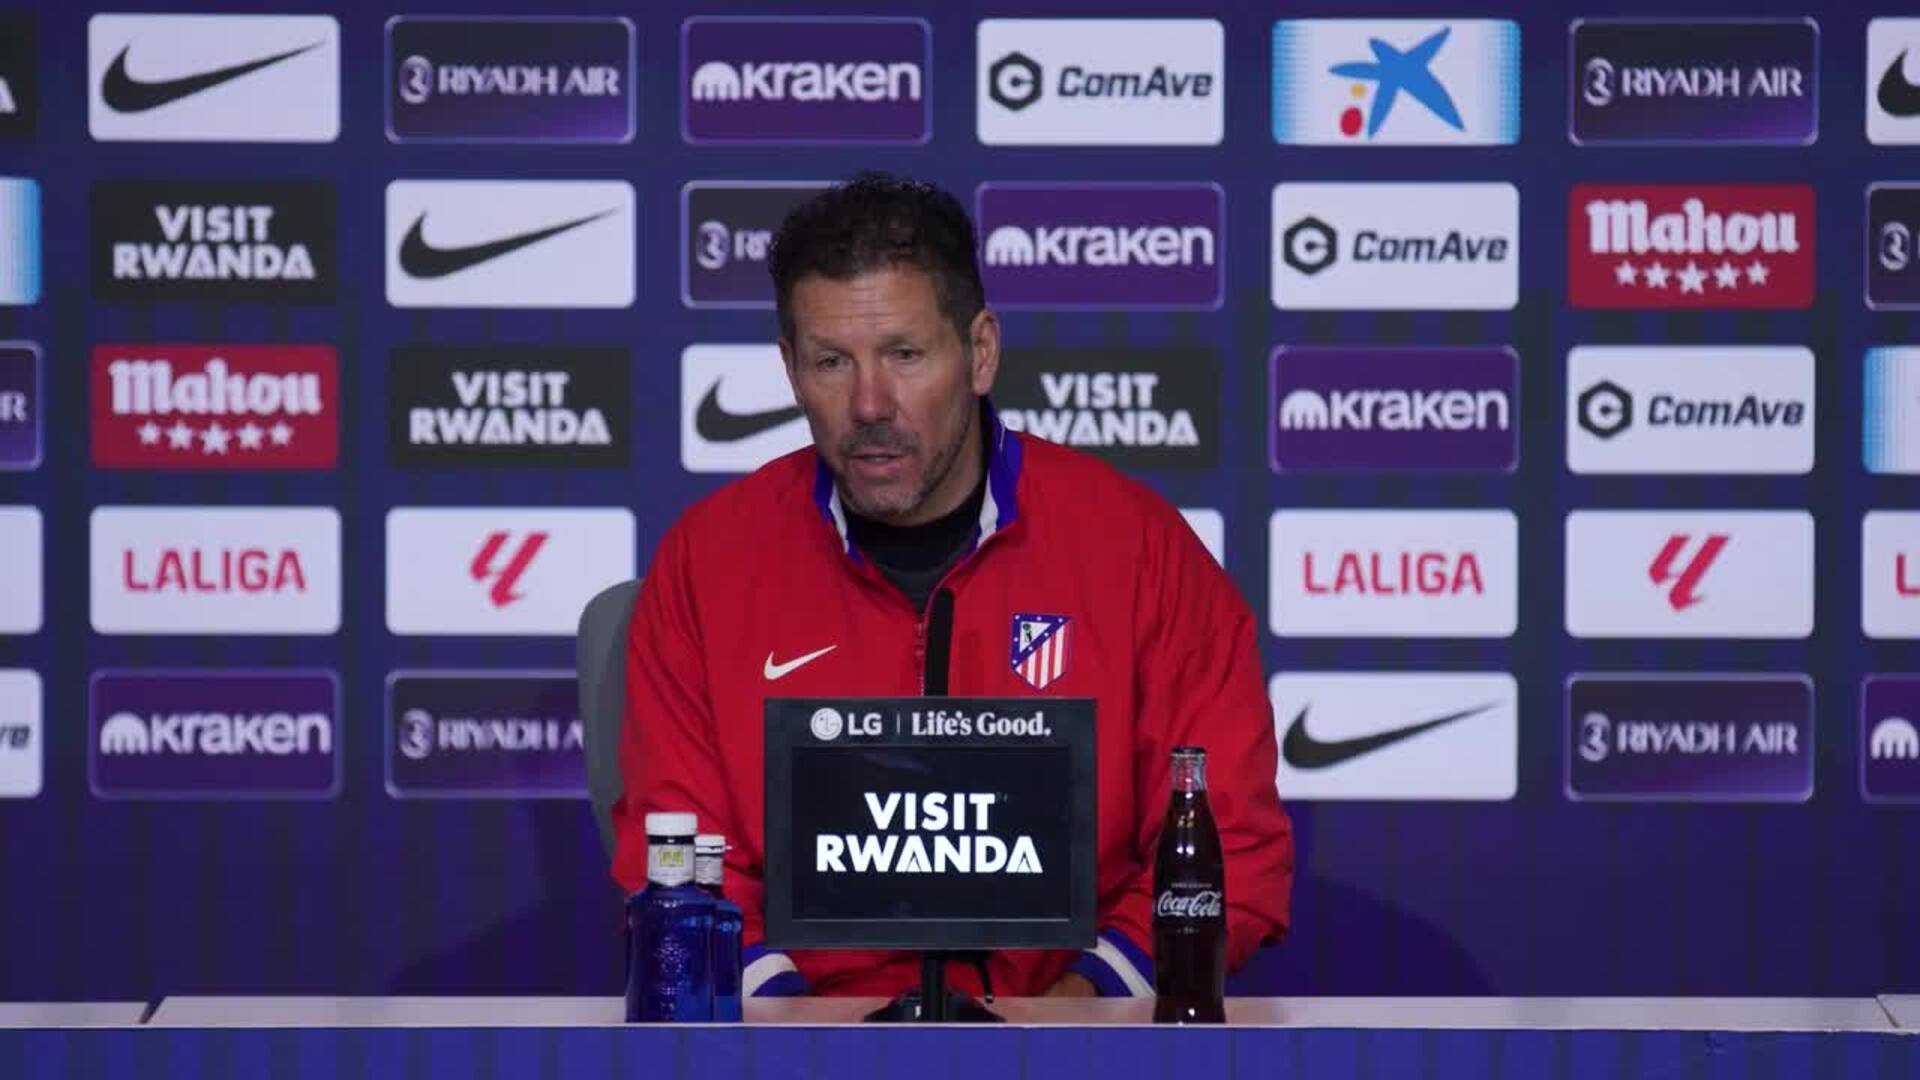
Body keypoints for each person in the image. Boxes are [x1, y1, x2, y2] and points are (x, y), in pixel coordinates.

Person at [612, 171, 1293, 999]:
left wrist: (1074, 1017)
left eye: (905, 355)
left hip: (1068, 1034)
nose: (869, 403)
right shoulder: (707, 562)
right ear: (790, 370)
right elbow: (675, 855)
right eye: (831, 362)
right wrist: (804, 1037)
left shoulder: (1141, 551)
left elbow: (1230, 848)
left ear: (979, 352)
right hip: (798, 1039)